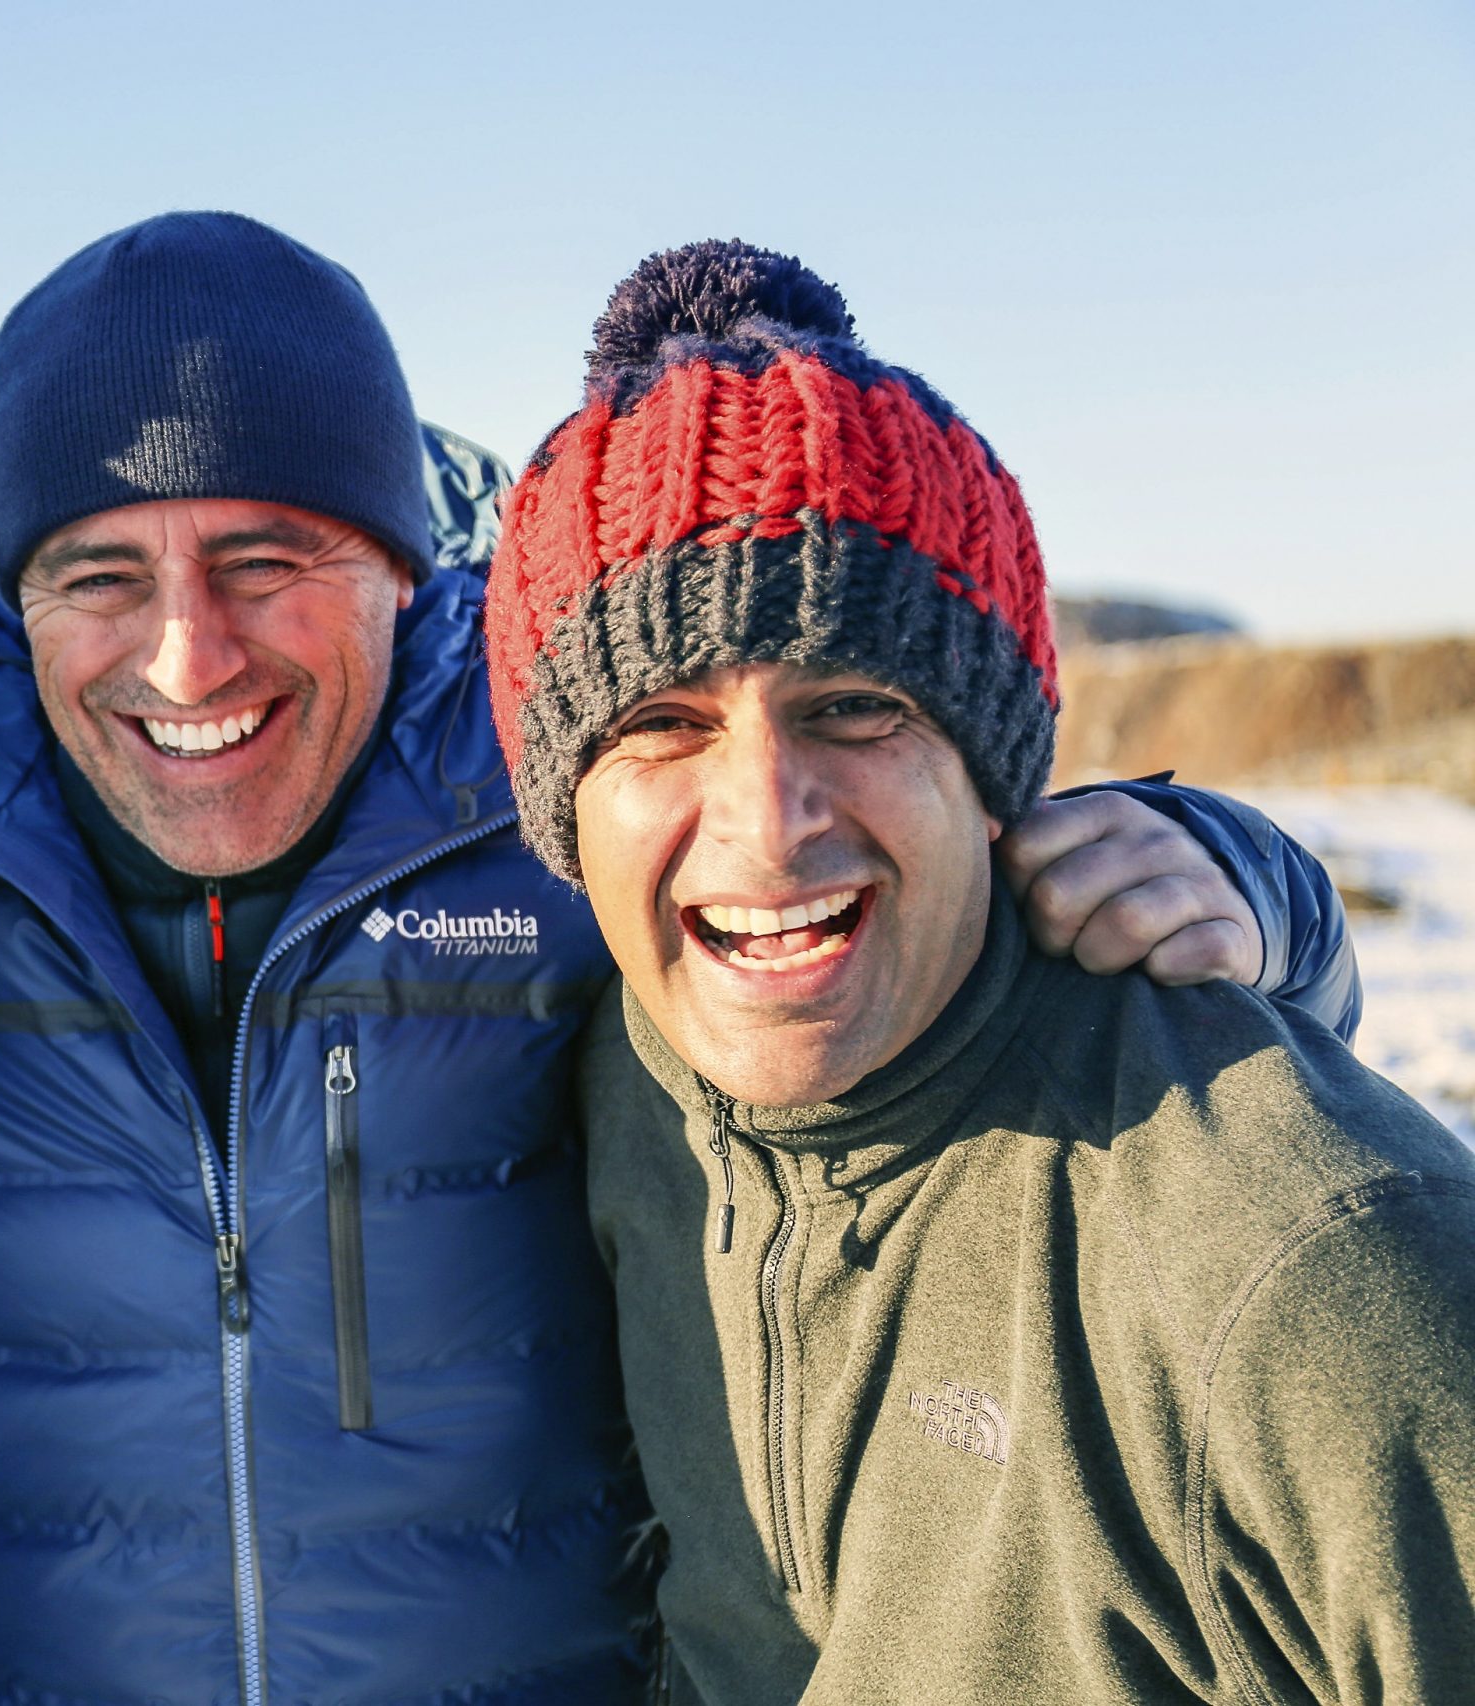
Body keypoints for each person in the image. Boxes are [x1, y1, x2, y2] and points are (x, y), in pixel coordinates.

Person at [0, 212, 1357, 1702]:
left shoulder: (575, 804)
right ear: (19, 600)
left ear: (401, 562)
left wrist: (1243, 882)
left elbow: (896, 880)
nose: (186, 652)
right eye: (101, 575)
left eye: (266, 561)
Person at [484, 238, 1475, 1702]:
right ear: (565, 807)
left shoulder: (1301, 1247)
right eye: (663, 725)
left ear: (995, 773)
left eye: (854, 704)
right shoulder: (620, 1090)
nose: (768, 819)